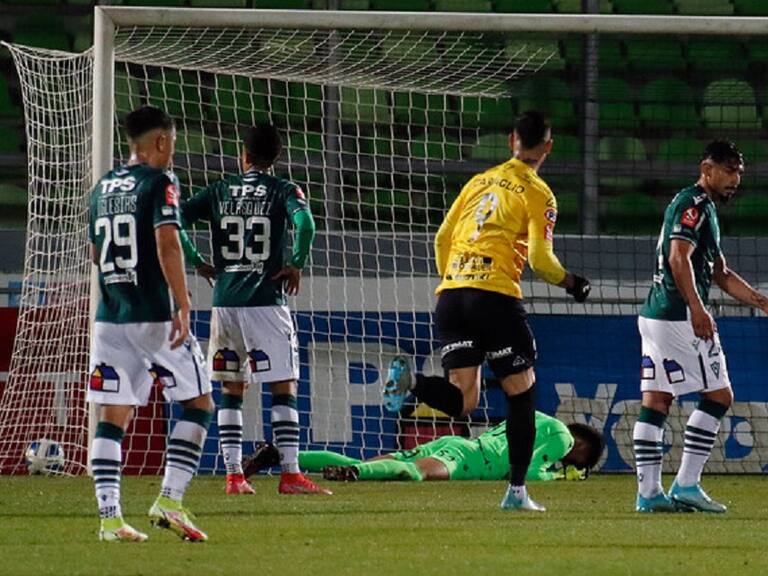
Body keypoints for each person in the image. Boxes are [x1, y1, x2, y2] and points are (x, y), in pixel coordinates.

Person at [382, 110, 590, 511]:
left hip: (452, 293)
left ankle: (413, 385)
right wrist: (573, 283)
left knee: (464, 401)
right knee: (522, 393)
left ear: (512, 139)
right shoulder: (538, 192)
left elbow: (443, 236)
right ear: (548, 146)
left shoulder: (478, 181)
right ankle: (517, 493)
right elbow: (541, 262)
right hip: (493, 297)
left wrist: (455, 279)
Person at [181, 124, 331, 496]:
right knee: (283, 386)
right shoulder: (284, 190)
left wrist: (196, 260)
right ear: (276, 157)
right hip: (266, 302)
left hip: (225, 302)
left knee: (232, 388)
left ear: (242, 155)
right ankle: (291, 474)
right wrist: (296, 262)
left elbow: (174, 219)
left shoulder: (219, 190)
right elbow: (306, 223)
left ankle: (234, 476)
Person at [87, 106, 214, 542]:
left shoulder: (101, 188)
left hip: (110, 317)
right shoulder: (161, 182)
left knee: (112, 416)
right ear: (161, 142)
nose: (173, 153)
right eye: (173, 144)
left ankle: (109, 519)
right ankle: (171, 499)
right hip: (154, 317)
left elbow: (93, 251)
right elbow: (167, 241)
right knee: (199, 403)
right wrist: (181, 302)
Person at [633, 140, 768, 514]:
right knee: (719, 396)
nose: (735, 178)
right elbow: (679, 258)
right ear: (706, 168)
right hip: (678, 317)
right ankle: (687, 484)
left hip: (656, 315)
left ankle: (649, 493)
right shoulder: (693, 205)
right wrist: (696, 308)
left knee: (657, 400)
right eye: (728, 170)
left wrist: (759, 300)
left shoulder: (702, 207)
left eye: (739, 171)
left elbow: (720, 273)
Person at [243, 412, 603, 483]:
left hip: (459, 443)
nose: (574, 460)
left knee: (382, 460)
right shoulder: (563, 439)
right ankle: (356, 474)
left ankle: (282, 454)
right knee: (414, 474)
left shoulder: (535, 416)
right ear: (581, 442)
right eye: (582, 460)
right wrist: (560, 479)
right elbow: (522, 472)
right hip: (470, 460)